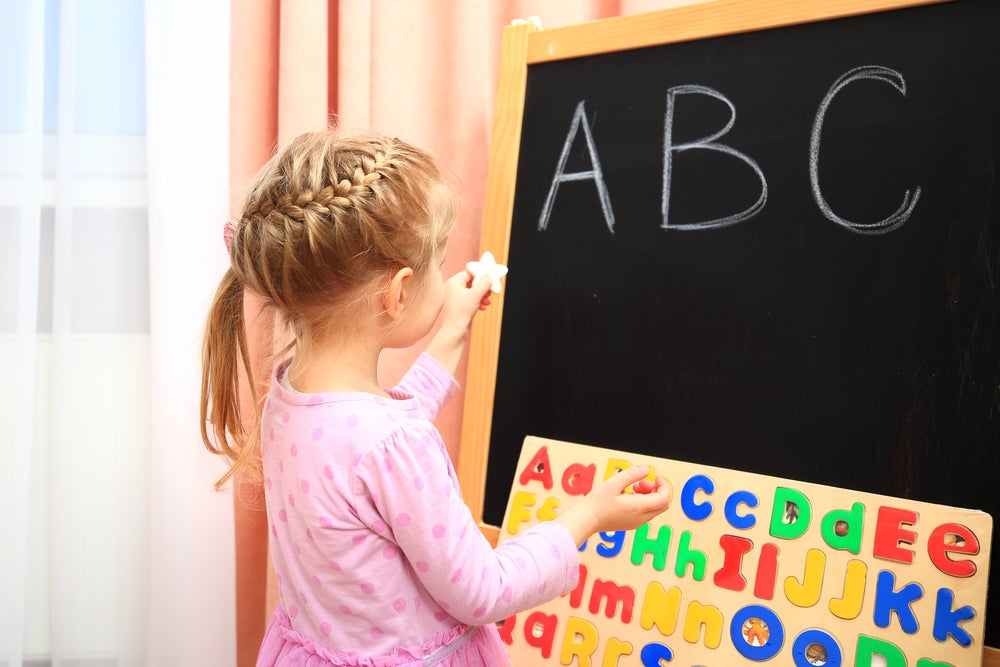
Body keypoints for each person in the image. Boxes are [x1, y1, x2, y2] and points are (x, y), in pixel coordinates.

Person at [200, 128, 672, 666]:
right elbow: (482, 592)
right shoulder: (393, 446)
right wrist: (587, 517)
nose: (443, 276)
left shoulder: (289, 397)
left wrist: (451, 327)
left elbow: (378, 445)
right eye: (436, 264)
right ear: (397, 293)